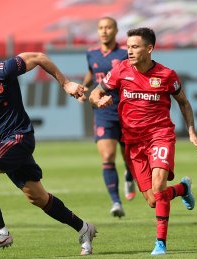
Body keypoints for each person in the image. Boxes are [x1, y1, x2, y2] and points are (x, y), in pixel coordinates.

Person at [0, 34, 97, 256]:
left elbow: (39, 57)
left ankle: (0, 232)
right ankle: (83, 228)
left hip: (20, 137)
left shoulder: (4, 69)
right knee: (38, 197)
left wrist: (65, 83)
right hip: (4, 143)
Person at [89, 27, 197, 255]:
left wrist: (191, 130)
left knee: (159, 185)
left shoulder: (166, 75)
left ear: (149, 48)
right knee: (153, 199)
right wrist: (98, 101)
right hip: (133, 142)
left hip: (160, 136)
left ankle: (160, 243)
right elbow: (94, 94)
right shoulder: (121, 70)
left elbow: (183, 102)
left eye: (135, 47)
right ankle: (182, 188)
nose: (129, 51)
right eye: (128, 47)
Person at [79, 16, 136, 218]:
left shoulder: (124, 54)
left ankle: (130, 176)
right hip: (102, 111)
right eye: (101, 27)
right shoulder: (91, 54)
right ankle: (116, 202)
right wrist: (83, 89)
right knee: (107, 156)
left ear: (116, 30)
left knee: (129, 158)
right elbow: (91, 74)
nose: (104, 31)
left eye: (108, 27)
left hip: (125, 110)